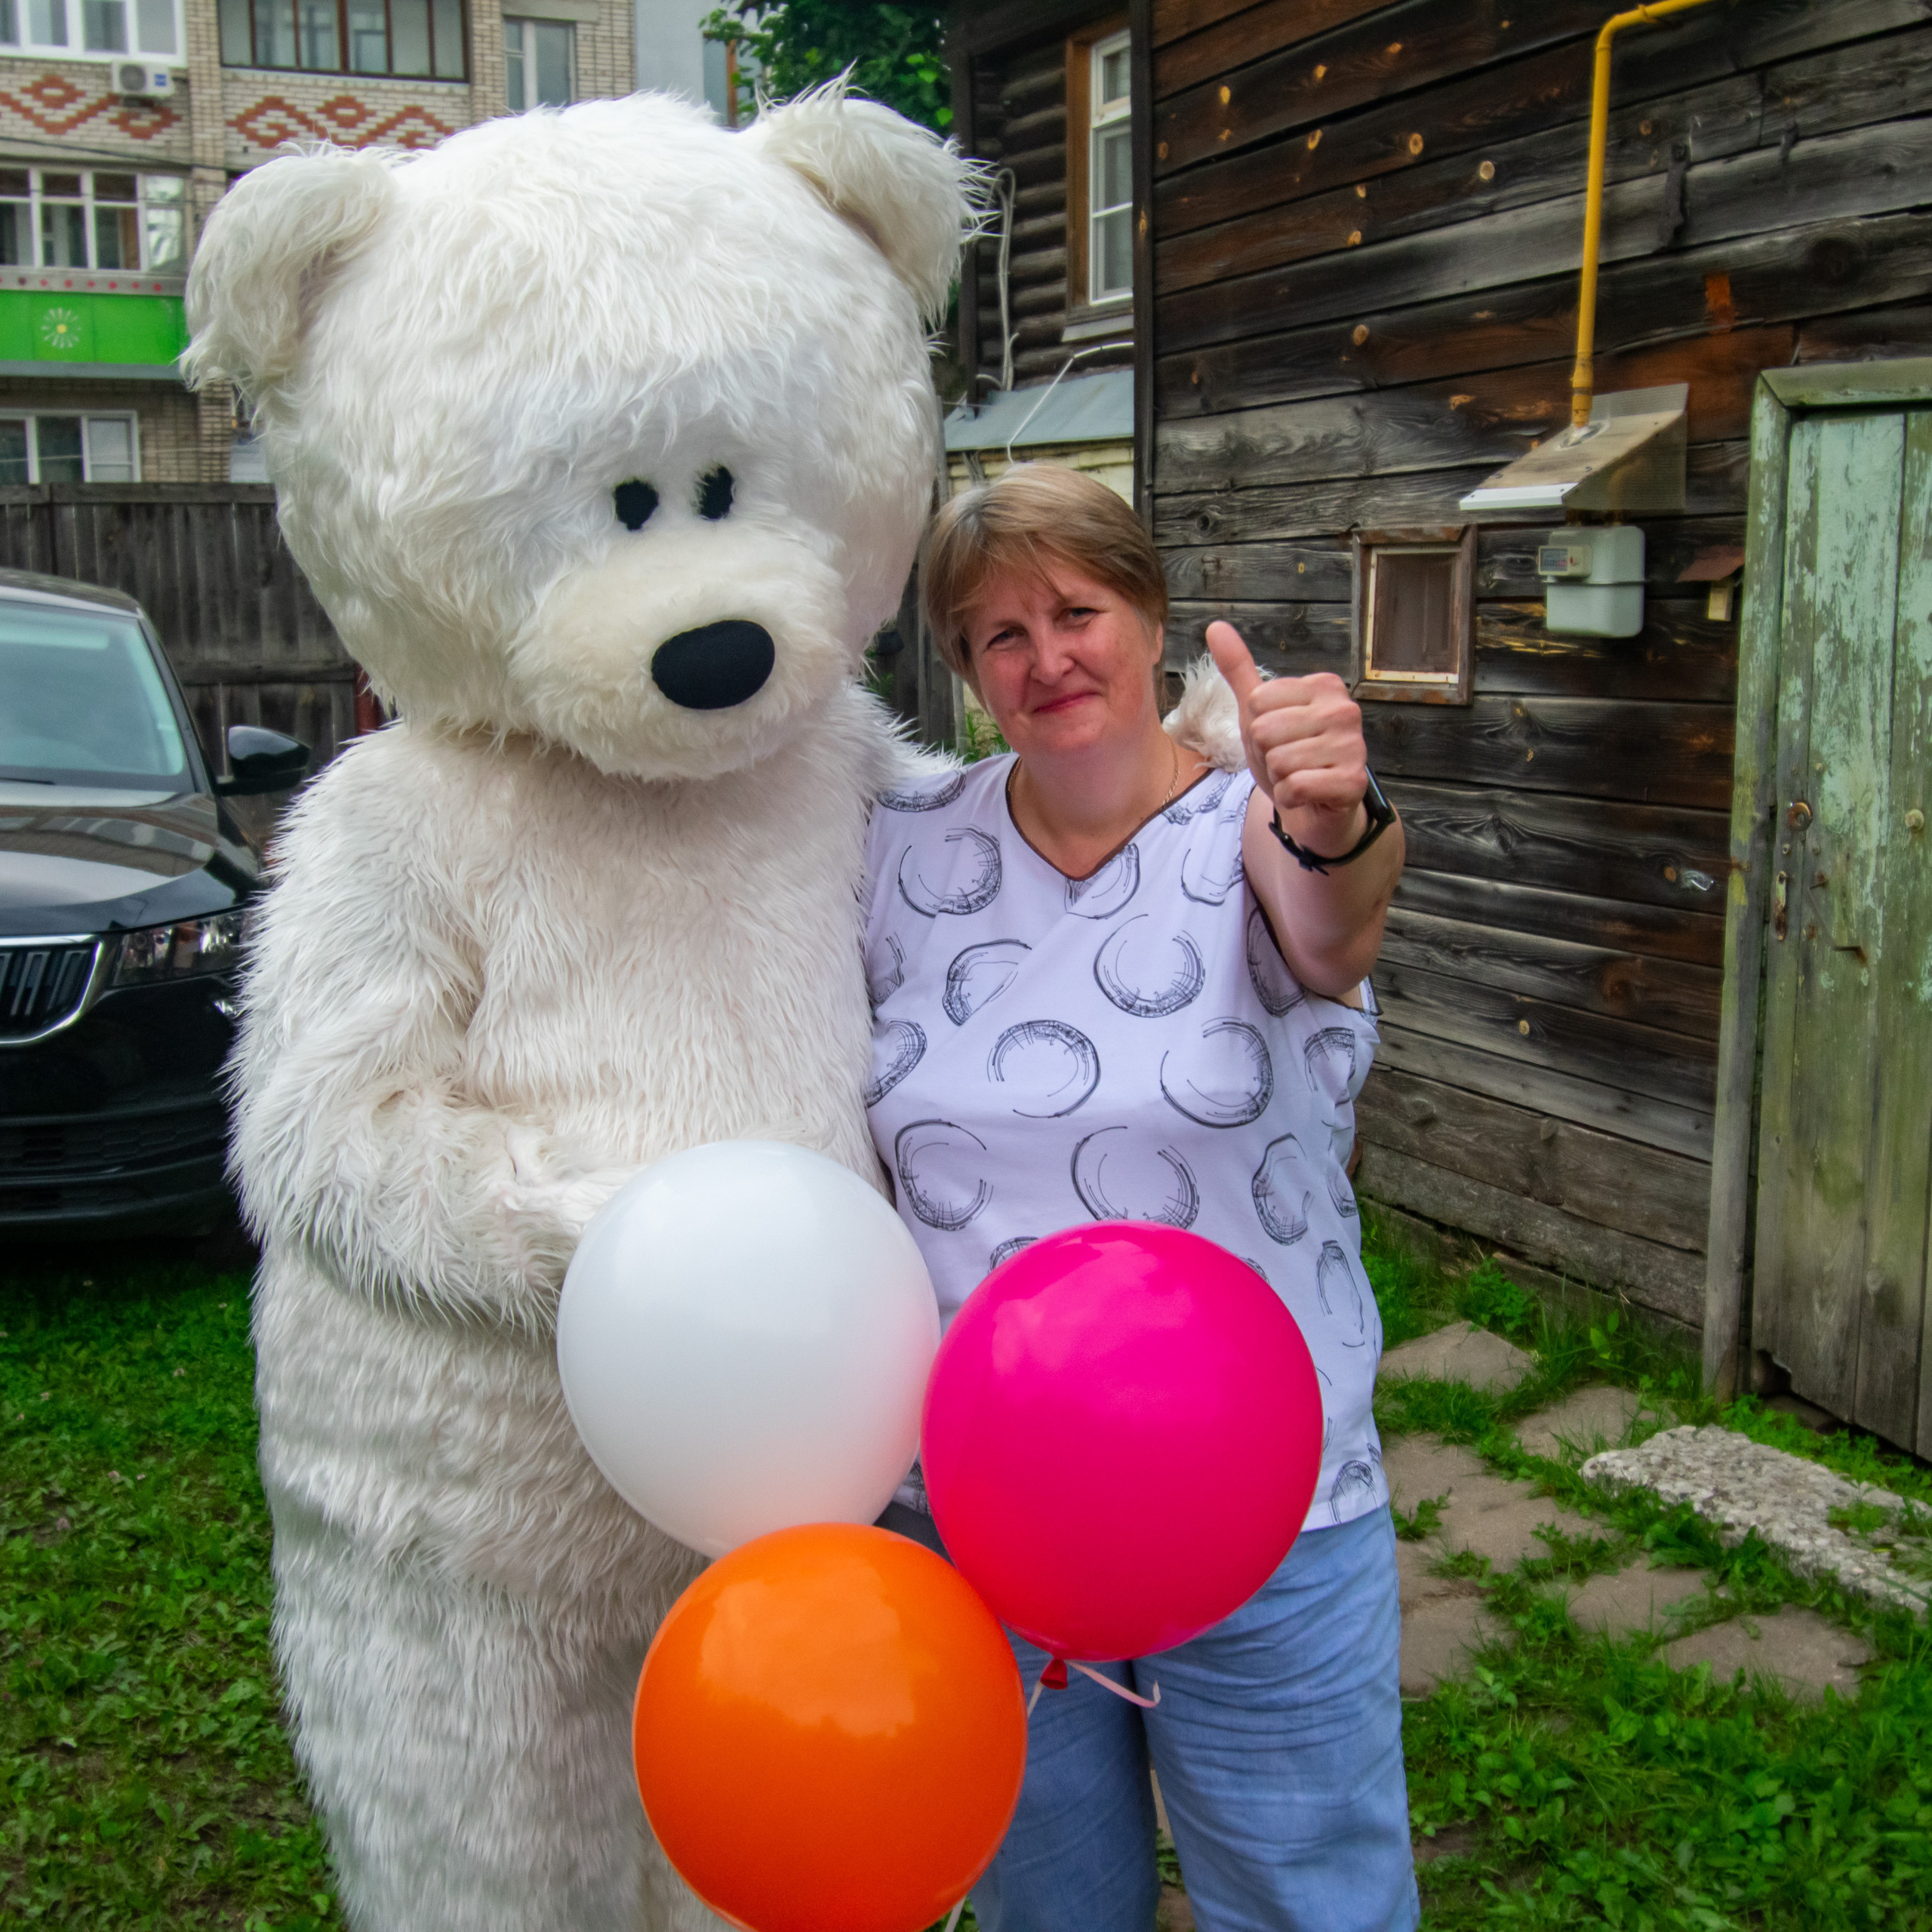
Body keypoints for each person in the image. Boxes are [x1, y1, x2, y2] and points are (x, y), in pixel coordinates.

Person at [862, 463, 1415, 1932]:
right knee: (1045, 1907)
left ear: (1150, 615)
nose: (1043, 656)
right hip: (980, 1523)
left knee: (1309, 1906)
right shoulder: (902, 851)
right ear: (965, 670)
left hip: (1261, 1516)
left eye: (1074, 608)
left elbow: (1331, 919)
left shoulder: (1258, 819)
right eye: (994, 632)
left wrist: (1336, 815)